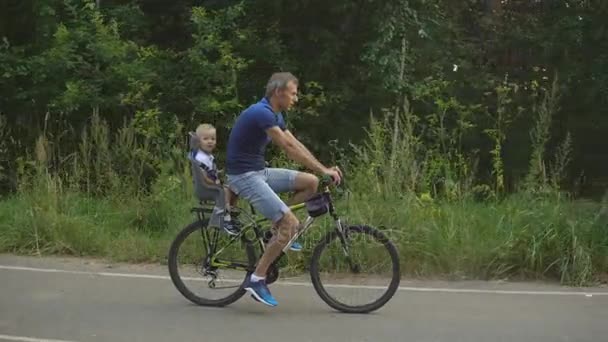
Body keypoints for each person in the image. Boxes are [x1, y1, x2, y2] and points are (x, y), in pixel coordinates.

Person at [226, 72, 342, 307]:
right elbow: (288, 148)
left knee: (310, 182)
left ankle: (274, 232)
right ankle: (257, 278)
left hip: (258, 172)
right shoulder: (261, 112)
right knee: (291, 224)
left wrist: (322, 169)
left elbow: (295, 142)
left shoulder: (275, 115)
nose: (295, 98)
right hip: (244, 176)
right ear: (278, 92)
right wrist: (323, 169)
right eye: (293, 93)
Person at [188, 123, 240, 235]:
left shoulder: (207, 156)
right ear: (198, 141)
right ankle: (225, 220)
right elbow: (205, 177)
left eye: (213, 138)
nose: (210, 141)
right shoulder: (201, 158)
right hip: (204, 188)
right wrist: (216, 182)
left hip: (210, 184)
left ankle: (231, 214)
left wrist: (220, 174)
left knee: (234, 187)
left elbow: (211, 172)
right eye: (205, 139)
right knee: (225, 191)